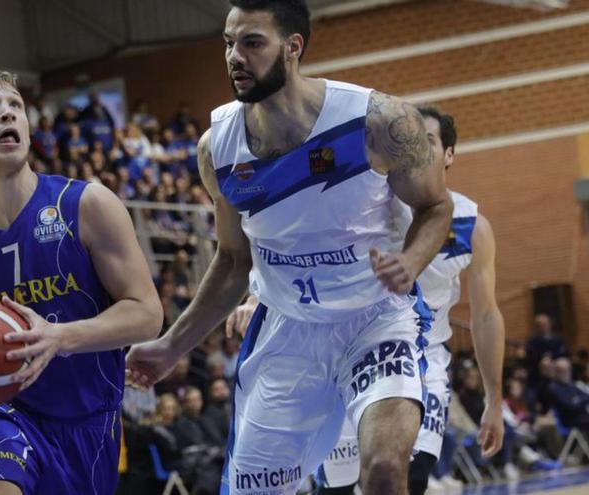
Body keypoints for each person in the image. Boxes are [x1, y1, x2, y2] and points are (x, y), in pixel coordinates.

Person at [125, 2, 454, 494]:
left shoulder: (379, 121)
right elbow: (234, 261)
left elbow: (436, 207)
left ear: (293, 48)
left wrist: (409, 261)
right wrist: (173, 345)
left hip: (376, 317)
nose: (235, 56)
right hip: (288, 331)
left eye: (252, 43)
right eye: (228, 43)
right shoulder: (217, 148)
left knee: (385, 470)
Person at [0, 69, 163, 495]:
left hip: (88, 420)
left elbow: (146, 313)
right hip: (5, 413)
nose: (7, 114)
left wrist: (59, 337)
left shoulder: (87, 204)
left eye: (15, 105)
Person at [301, 107, 505, 494]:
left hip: (425, 358)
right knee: (338, 488)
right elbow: (308, 257)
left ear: (449, 155)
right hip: (354, 355)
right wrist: (256, 300)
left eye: (428, 141)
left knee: (403, 475)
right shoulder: (365, 206)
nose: (417, 150)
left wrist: (494, 400)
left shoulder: (471, 225)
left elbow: (486, 316)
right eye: (409, 141)